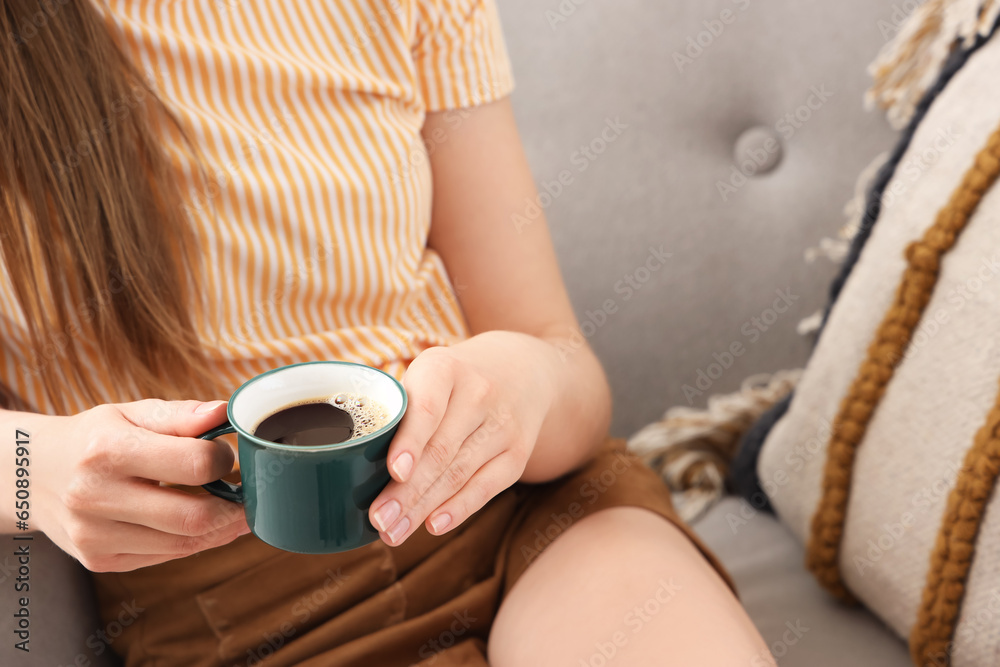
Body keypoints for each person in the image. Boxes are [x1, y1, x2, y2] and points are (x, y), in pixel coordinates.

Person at [0, 1, 769, 664]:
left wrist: (522, 378)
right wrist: (35, 468)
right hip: (236, 613)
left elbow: (563, 363)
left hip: (516, 515)